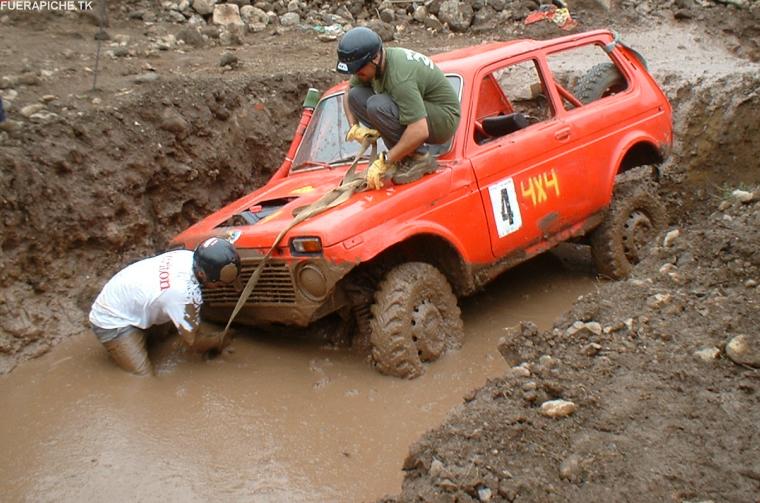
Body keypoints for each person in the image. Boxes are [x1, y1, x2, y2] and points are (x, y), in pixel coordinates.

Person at [89, 237, 241, 375]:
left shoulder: (188, 257)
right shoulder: (182, 293)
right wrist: (220, 340)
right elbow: (194, 343)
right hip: (112, 320)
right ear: (202, 275)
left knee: (169, 334)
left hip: (128, 296)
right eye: (219, 284)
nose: (221, 288)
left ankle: (150, 334)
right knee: (143, 377)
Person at [336, 26, 460, 190]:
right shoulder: (374, 64)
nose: (356, 74)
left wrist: (385, 160)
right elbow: (349, 91)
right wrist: (354, 127)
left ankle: (420, 157)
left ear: (375, 58)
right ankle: (403, 155)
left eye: (358, 70)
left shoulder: (399, 77)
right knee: (356, 95)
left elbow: (419, 129)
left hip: (443, 119)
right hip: (420, 113)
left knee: (377, 105)